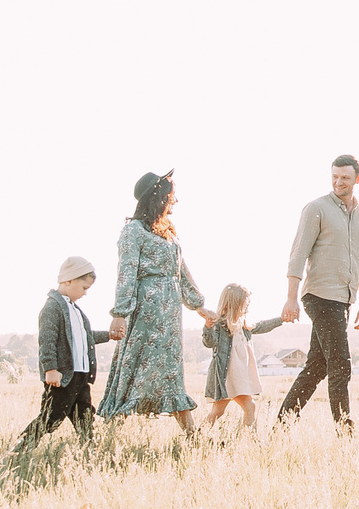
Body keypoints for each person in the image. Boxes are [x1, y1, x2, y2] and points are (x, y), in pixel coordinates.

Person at [97, 170, 217, 424]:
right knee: (136, 368)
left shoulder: (168, 233)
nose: (175, 201)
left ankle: (192, 437)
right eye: (172, 196)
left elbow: (181, 271)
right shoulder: (133, 231)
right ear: (159, 198)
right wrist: (120, 314)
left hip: (171, 315)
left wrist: (199, 307)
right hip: (145, 313)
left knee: (171, 371)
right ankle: (109, 434)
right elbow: (126, 274)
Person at [278, 154, 359, 433]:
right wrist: (291, 297)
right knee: (341, 364)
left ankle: (281, 427)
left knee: (317, 367)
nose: (338, 182)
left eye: (345, 177)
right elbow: (298, 255)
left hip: (344, 299)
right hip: (319, 295)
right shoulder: (316, 209)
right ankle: (345, 433)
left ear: (357, 179)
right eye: (334, 176)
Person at [14, 256, 110, 449]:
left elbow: (85, 336)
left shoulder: (75, 310)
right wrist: (50, 368)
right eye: (84, 288)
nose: (85, 294)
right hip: (62, 377)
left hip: (80, 376)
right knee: (51, 417)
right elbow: (47, 341)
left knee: (85, 418)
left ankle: (89, 454)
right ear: (68, 280)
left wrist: (109, 335)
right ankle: (19, 449)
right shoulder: (53, 307)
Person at [192, 283, 284, 438]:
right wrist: (207, 327)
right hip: (227, 377)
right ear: (234, 304)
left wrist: (281, 319)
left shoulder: (244, 326)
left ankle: (198, 438)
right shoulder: (219, 324)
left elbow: (262, 326)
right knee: (226, 410)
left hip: (239, 375)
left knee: (235, 409)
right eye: (244, 305)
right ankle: (246, 440)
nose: (247, 309)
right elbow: (209, 342)